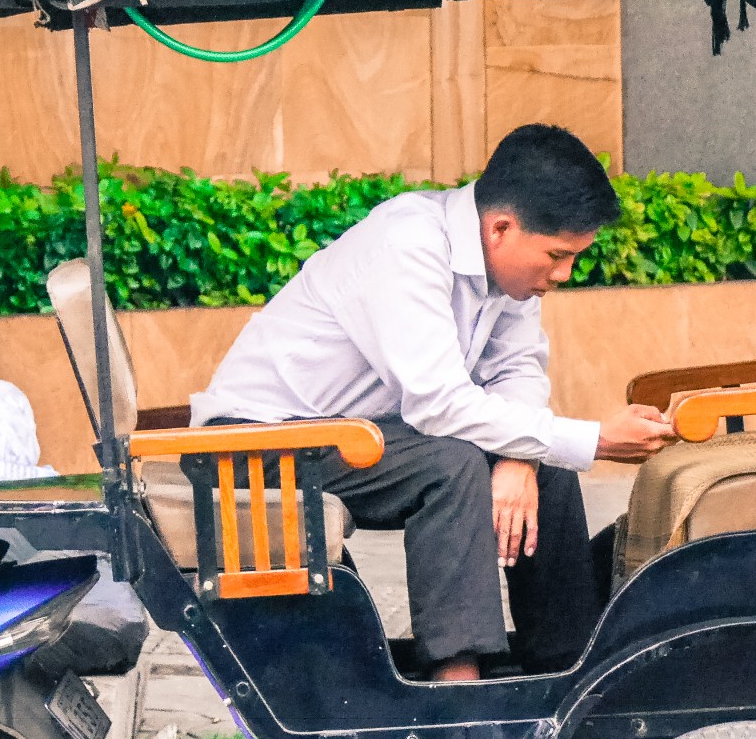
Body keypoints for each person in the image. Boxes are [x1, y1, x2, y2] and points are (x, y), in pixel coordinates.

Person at [190, 124, 674, 682]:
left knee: (546, 471)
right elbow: (438, 404)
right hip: (250, 444)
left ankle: (572, 673)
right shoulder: (408, 244)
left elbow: (517, 370)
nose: (563, 275)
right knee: (451, 465)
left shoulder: (512, 276)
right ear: (500, 228)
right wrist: (594, 438)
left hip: (353, 434)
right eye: (557, 256)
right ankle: (456, 695)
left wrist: (521, 460)